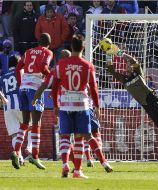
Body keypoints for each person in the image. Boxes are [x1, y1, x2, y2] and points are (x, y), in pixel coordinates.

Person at [50, 34, 112, 178]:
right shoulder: (87, 65)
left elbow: (54, 86)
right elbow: (94, 88)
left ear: (71, 47)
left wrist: (55, 105)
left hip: (65, 104)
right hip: (81, 105)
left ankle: (65, 164)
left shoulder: (61, 64)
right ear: (83, 47)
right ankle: (78, 171)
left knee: (65, 136)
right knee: (80, 138)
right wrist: (97, 106)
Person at [11, 33, 53, 170]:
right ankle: (35, 156)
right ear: (49, 43)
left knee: (24, 123)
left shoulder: (28, 51)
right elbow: (43, 68)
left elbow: (18, 68)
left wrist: (21, 82)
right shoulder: (48, 52)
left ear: (38, 41)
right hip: (35, 88)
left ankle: (16, 151)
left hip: (23, 88)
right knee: (36, 123)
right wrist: (52, 76)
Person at [0, 55, 32, 168]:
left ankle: (20, 157)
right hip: (21, 104)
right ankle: (29, 148)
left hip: (8, 106)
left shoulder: (3, 76)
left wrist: (3, 97)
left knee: (14, 134)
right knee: (32, 126)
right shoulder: (21, 72)